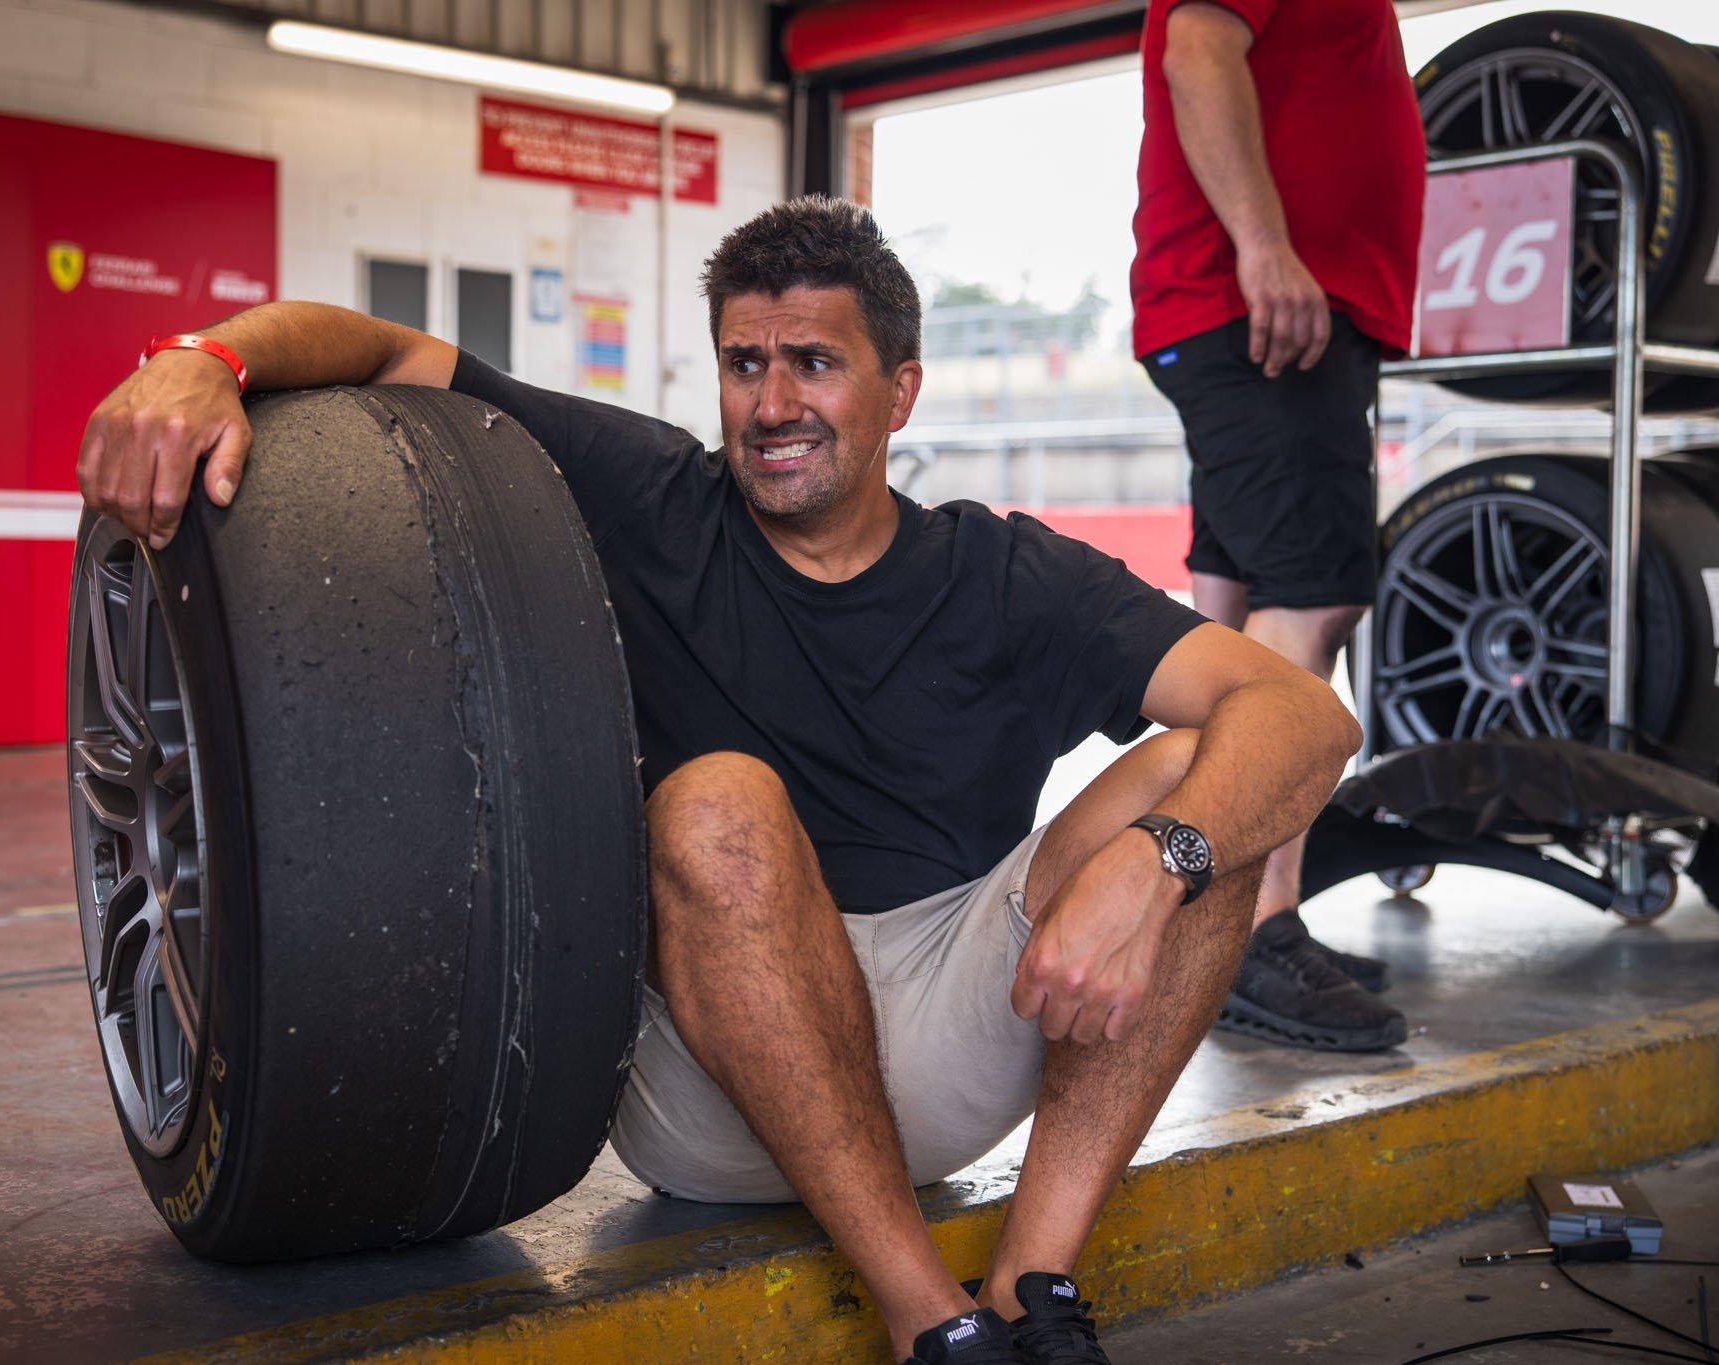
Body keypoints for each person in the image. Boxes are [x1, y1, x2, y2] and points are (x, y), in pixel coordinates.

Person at [80, 197, 1360, 1365]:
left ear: (897, 392)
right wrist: (208, 358)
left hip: (955, 1021)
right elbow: (386, 352)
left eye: (814, 363)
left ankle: (1038, 1292)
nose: (772, 403)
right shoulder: (649, 496)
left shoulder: (1010, 577)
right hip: (711, 1080)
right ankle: (933, 1329)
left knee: (1209, 771)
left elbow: (1302, 712)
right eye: (744, 364)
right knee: (715, 799)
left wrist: (1160, 861)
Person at [1130, 0, 1426, 1052]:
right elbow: (1197, 48)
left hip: (1263, 310)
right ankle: (1246, 925)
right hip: (1261, 308)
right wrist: (1263, 248)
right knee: (1308, 603)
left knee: (1234, 616)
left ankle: (1213, 918)